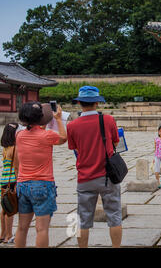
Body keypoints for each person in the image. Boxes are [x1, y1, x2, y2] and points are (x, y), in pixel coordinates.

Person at [66, 86, 122, 248]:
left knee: (82, 219)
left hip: (85, 177)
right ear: (97, 102)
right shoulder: (108, 120)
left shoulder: (72, 126)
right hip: (108, 176)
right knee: (114, 216)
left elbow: (75, 148)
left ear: (79, 103)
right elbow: (116, 142)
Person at [15, 102, 67, 248]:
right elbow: (63, 138)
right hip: (42, 185)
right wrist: (57, 119)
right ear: (41, 118)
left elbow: (35, 130)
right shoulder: (47, 136)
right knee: (42, 229)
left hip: (22, 185)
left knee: (22, 227)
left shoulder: (19, 135)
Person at [0, 123, 19, 244]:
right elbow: (17, 167)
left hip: (3, 180)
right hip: (12, 180)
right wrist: (18, 182)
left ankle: (2, 234)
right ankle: (9, 235)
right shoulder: (15, 148)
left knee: (4, 208)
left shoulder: (5, 148)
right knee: (10, 209)